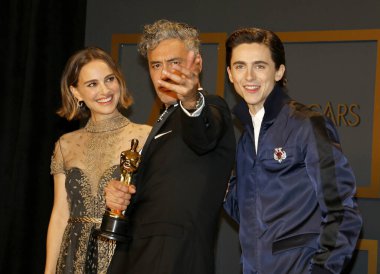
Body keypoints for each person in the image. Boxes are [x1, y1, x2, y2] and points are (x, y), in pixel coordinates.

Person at [223, 27, 363, 274]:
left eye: (260, 66)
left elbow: (342, 211)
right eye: (240, 66)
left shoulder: (306, 124)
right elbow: (245, 211)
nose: (249, 76)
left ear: (279, 71)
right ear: (230, 75)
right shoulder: (245, 140)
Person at [105, 19, 236, 274]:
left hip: (175, 259)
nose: (164, 73)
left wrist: (190, 99)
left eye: (174, 63)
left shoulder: (211, 106)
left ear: (196, 63)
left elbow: (203, 133)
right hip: (137, 255)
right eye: (156, 65)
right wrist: (119, 196)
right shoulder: (163, 119)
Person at [45, 47, 151, 274]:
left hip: (123, 257)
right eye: (92, 84)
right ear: (76, 92)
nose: (104, 90)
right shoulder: (65, 144)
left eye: (109, 79)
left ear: (119, 81)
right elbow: (60, 214)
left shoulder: (145, 136)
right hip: (72, 258)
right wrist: (49, 270)